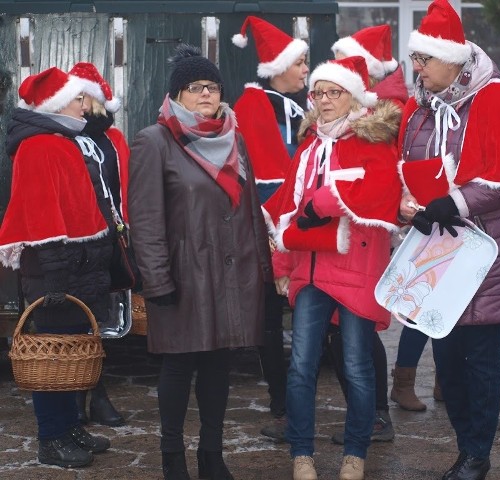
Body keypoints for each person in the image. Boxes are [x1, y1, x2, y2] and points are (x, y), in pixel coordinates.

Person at [397, 1, 500, 478]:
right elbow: (405, 167)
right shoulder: (420, 107)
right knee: (446, 364)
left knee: (480, 363)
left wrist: (456, 203)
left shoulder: (496, 97)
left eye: (425, 60)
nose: (417, 69)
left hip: (488, 252)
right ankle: (467, 445)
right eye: (416, 60)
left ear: (453, 59)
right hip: (439, 252)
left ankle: (476, 455)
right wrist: (412, 208)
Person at [127, 44, 272, 480]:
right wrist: (156, 281)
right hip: (181, 275)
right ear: (177, 95)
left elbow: (248, 210)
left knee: (217, 365)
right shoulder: (154, 141)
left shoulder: (235, 138)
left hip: (230, 274)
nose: (207, 94)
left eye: (213, 86)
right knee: (178, 364)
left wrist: (262, 273)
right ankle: (172, 456)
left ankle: (212, 454)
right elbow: (145, 218)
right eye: (196, 87)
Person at [263, 55, 402, 480]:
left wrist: (323, 201)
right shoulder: (307, 147)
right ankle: (301, 453)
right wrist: (281, 263)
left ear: (354, 96)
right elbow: (287, 208)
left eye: (333, 92)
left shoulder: (374, 142)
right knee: (301, 365)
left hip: (356, 270)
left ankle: (355, 453)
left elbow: (379, 192)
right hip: (310, 272)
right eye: (318, 92)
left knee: (358, 367)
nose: (323, 100)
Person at [0, 67, 113, 468]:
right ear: (54, 104)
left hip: (72, 266)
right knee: (52, 357)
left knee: (69, 352)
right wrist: (55, 276)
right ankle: (51, 437)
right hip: (56, 271)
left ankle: (68, 428)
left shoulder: (59, 141)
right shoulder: (39, 146)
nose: (85, 104)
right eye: (77, 98)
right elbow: (43, 215)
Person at [327, 23, 407, 444]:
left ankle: (375, 414)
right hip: (334, 237)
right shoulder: (346, 117)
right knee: (343, 330)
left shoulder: (381, 117)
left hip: (365, 234)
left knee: (356, 328)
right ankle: (370, 411)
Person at [232, 16, 309, 440]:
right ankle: (284, 404)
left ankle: (298, 401)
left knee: (307, 319)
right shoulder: (254, 106)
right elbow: (260, 176)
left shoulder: (301, 106)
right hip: (268, 232)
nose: (304, 70)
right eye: (299, 63)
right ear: (277, 66)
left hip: (306, 228)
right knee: (269, 322)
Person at [69, 61, 128, 428]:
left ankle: (98, 391)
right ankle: (82, 396)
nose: (84, 104)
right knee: (77, 320)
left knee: (103, 320)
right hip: (78, 241)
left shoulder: (113, 139)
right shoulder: (64, 138)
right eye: (78, 98)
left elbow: (124, 186)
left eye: (87, 97)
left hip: (111, 237)